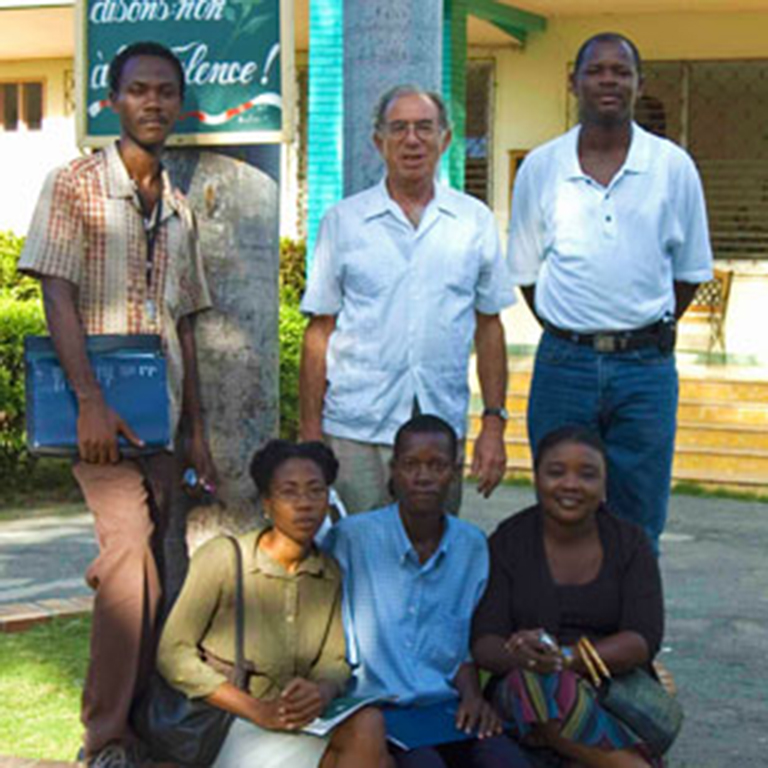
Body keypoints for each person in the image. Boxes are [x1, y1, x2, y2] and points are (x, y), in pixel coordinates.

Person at [18, 42, 215, 768]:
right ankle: (103, 740)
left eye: (166, 92)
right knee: (130, 551)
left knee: (151, 566)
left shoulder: (182, 208)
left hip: (161, 420)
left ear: (179, 104)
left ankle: (140, 732)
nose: (154, 103)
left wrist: (194, 431)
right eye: (139, 91)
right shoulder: (72, 183)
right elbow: (56, 289)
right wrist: (89, 401)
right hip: (99, 419)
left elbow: (185, 325)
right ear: (114, 101)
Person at [506, 32, 713, 549]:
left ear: (638, 83)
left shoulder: (672, 167)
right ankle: (562, 627)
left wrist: (638, 329)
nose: (608, 81)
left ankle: (635, 630)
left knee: (639, 515)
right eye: (595, 70)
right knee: (560, 508)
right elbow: (529, 275)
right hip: (563, 366)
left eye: (620, 72)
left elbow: (687, 273)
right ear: (572, 80)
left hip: (645, 371)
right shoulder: (541, 168)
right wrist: (575, 328)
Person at [300, 84, 515, 516]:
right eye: (398, 128)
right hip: (357, 428)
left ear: (445, 139)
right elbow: (319, 330)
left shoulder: (473, 222)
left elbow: (489, 326)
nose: (412, 140)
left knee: (433, 559)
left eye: (424, 127)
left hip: (439, 430)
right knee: (358, 560)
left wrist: (493, 422)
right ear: (379, 141)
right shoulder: (344, 222)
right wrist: (310, 434)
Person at [156, 440, 393, 768]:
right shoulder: (225, 558)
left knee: (369, 726)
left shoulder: (327, 573)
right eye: (289, 492)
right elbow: (173, 653)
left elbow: (334, 661)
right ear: (267, 503)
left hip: (294, 723)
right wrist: (257, 711)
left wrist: (319, 692)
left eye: (315, 491)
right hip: (226, 723)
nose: (305, 504)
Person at [325, 415, 533, 768]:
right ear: (393, 470)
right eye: (410, 465)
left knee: (504, 760)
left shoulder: (471, 546)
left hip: (445, 708)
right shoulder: (353, 539)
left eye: (437, 466)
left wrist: (473, 697)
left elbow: (463, 646)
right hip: (376, 708)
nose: (423, 477)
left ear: (454, 471)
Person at [472, 426, 670, 768]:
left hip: (612, 690)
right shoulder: (508, 541)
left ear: (605, 484)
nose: (570, 485)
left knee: (554, 685)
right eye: (556, 472)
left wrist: (567, 658)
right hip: (527, 690)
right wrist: (524, 654)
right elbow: (484, 642)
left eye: (587, 474)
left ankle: (569, 749)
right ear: (536, 478)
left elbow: (642, 639)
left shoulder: (630, 544)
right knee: (535, 684)